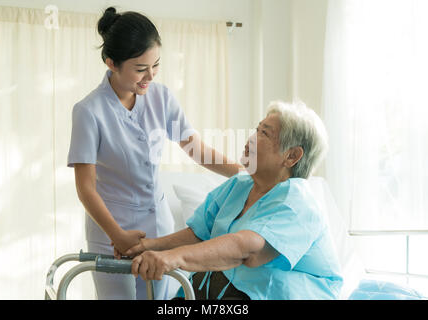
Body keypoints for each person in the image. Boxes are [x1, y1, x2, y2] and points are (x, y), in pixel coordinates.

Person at [67, 7, 243, 300]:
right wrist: (117, 236)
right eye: (140, 69)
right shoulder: (89, 111)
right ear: (112, 63)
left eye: (156, 65)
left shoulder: (161, 98)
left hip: (157, 227)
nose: (150, 76)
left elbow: (196, 149)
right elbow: (85, 189)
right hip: (110, 230)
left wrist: (246, 173)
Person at [119, 100, 344, 300]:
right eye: (256, 129)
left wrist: (173, 258)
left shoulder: (298, 202)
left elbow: (247, 249)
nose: (251, 139)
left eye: (264, 133)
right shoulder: (239, 185)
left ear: (292, 156)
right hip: (216, 289)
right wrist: (145, 246)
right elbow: (198, 234)